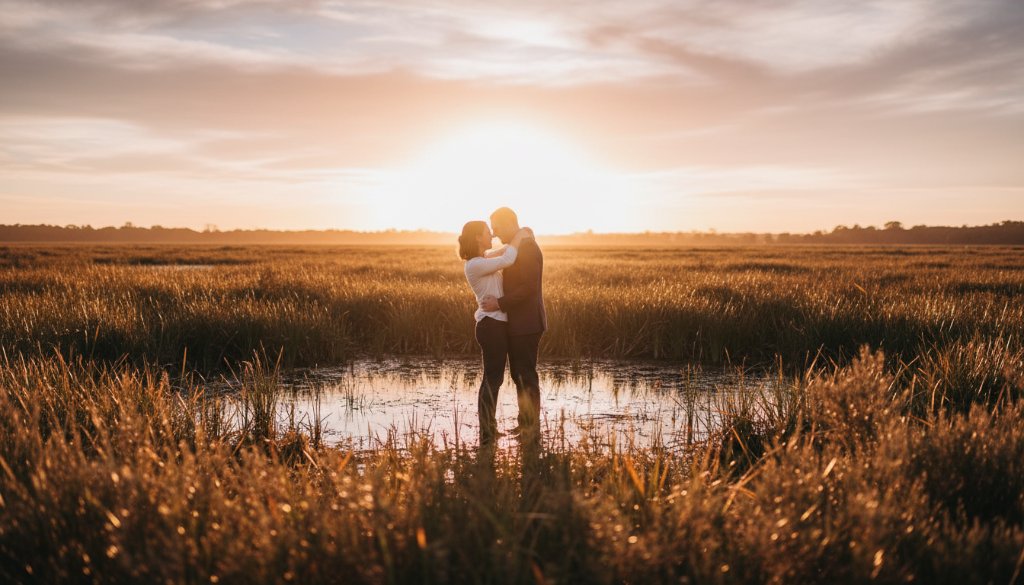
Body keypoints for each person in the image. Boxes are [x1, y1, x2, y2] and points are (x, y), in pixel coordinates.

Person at [459, 220, 534, 446]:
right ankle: (487, 431)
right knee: (492, 379)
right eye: (486, 231)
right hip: (490, 326)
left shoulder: (482, 260)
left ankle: (488, 429)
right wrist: (519, 237)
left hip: (494, 325)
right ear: (476, 237)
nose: (491, 233)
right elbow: (507, 259)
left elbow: (501, 252)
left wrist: (515, 241)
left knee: (493, 379)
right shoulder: (474, 264)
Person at [479, 207, 546, 440]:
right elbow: (498, 254)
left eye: (497, 228)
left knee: (525, 375)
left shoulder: (527, 248)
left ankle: (530, 427)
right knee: (520, 375)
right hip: (518, 322)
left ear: (509, 224)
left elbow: (528, 288)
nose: (495, 234)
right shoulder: (519, 245)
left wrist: (500, 303)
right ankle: (525, 425)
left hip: (527, 323)